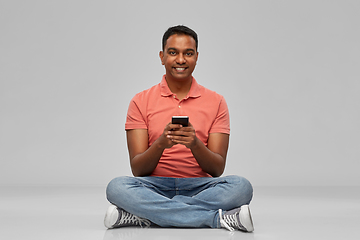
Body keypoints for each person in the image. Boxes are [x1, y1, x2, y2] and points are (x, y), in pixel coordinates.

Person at [104, 25, 254, 232]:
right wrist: (161, 144)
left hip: (200, 188)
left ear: (197, 57)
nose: (181, 60)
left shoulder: (216, 101)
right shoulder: (140, 101)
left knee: (241, 187)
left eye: (188, 53)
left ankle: (144, 214)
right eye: (173, 52)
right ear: (162, 56)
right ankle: (217, 220)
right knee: (117, 187)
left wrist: (194, 144)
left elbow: (217, 169)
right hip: (153, 187)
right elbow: (138, 169)